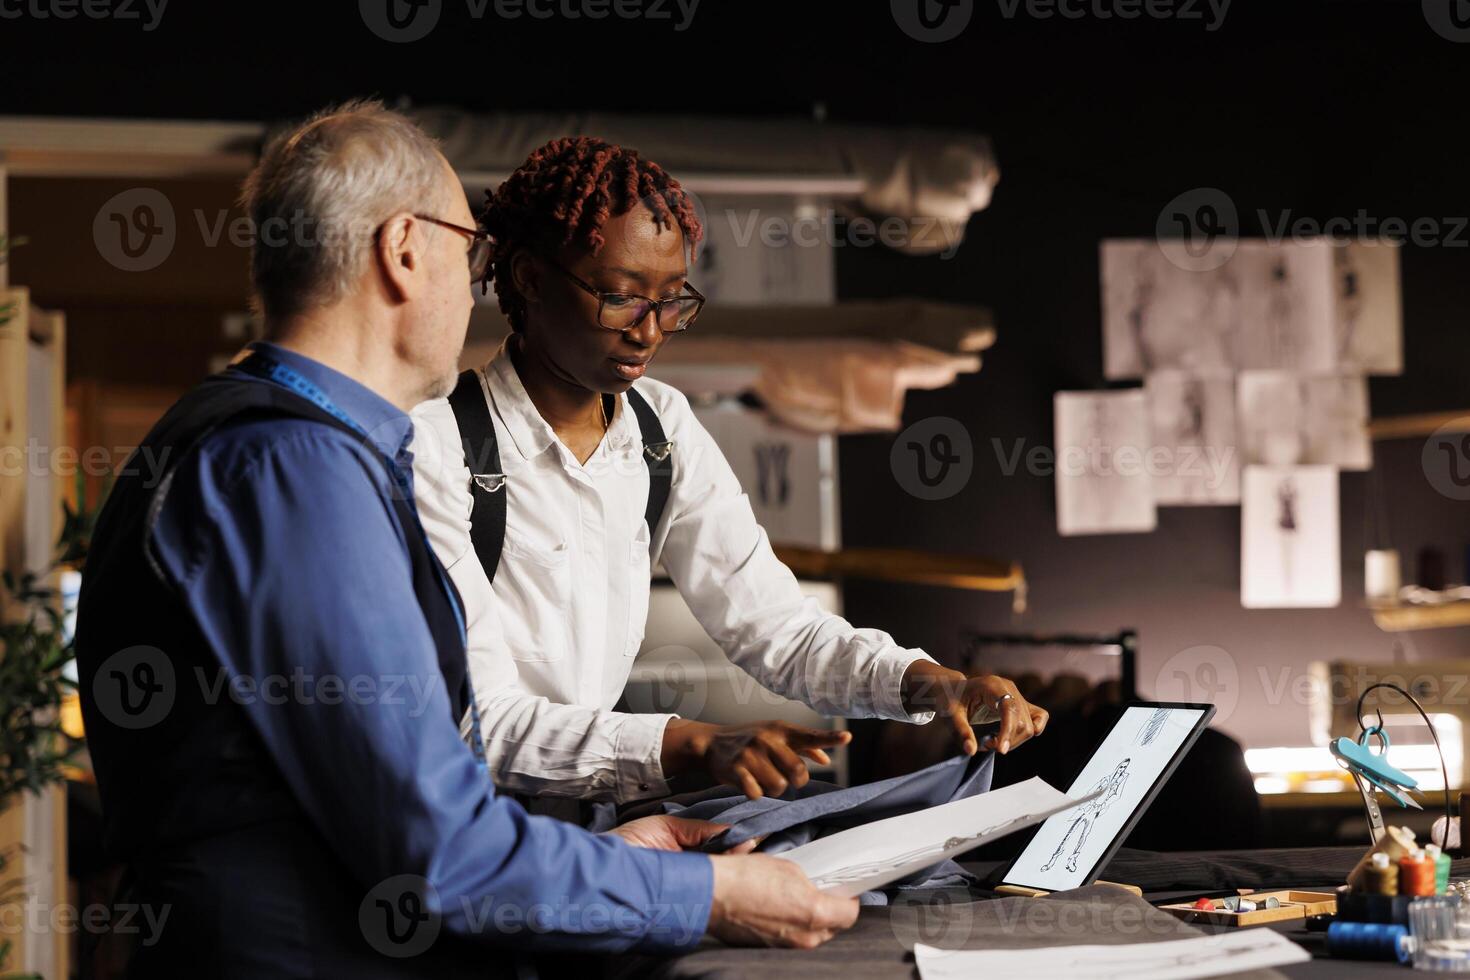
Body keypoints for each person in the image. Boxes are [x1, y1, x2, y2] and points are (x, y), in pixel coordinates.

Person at [73, 101, 856, 977]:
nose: (480, 278)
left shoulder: (284, 444)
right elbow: (437, 846)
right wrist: (703, 896)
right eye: (470, 245)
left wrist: (619, 858)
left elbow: (400, 801)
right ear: (405, 250)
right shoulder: (293, 468)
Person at [410, 136, 1050, 812]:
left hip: (580, 818)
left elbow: (778, 629)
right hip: (459, 826)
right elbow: (480, 723)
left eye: (672, 301)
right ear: (530, 279)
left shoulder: (660, 430)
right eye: (623, 298)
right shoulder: (438, 442)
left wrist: (930, 683)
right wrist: (691, 745)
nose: (650, 331)